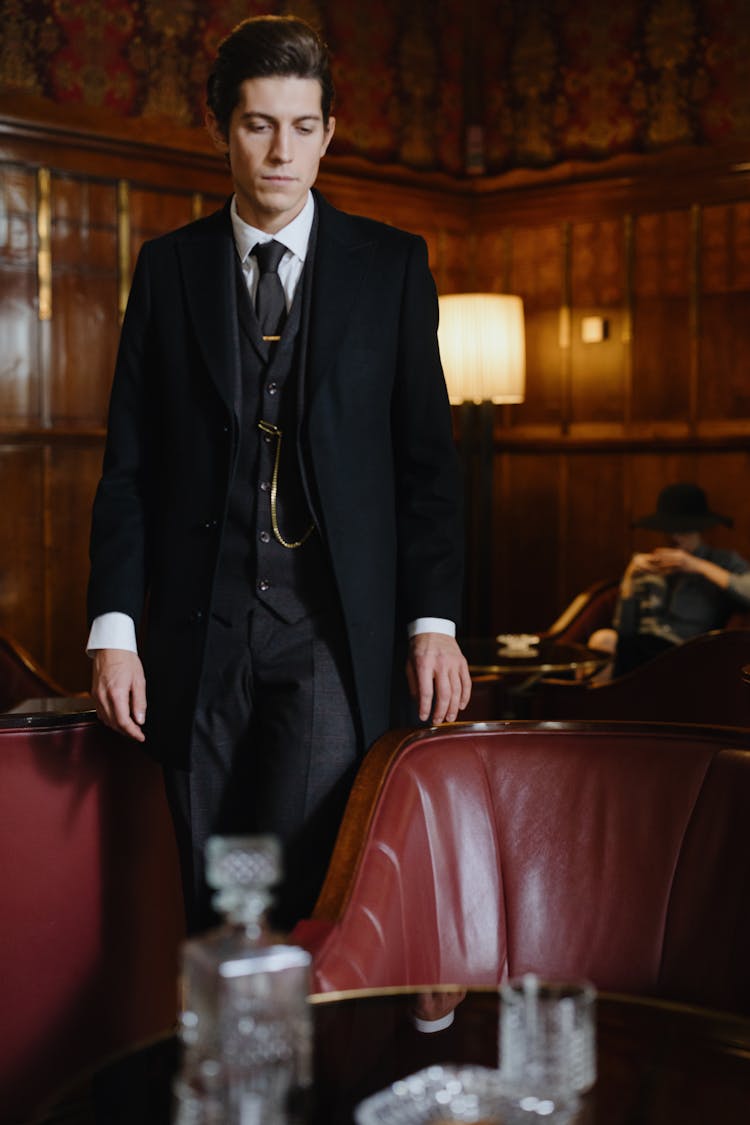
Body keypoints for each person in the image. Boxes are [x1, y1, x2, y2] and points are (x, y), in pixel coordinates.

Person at [86, 14, 471, 932]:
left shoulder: (393, 267)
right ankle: (228, 1075)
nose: (281, 151)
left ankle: (317, 1077)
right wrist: (114, 625)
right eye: (259, 124)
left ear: (329, 133)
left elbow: (428, 465)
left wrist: (434, 620)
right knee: (218, 899)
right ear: (223, 128)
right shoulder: (167, 269)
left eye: (303, 128)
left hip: (329, 634)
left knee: (315, 897)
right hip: (198, 633)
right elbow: (128, 467)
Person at [588, 482, 750, 677]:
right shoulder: (648, 565)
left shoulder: (721, 561)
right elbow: (624, 629)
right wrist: (630, 578)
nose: (675, 538)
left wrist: (697, 565)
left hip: (689, 652)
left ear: (700, 528)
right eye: (670, 530)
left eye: (684, 530)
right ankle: (596, 706)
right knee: (603, 639)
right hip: (642, 650)